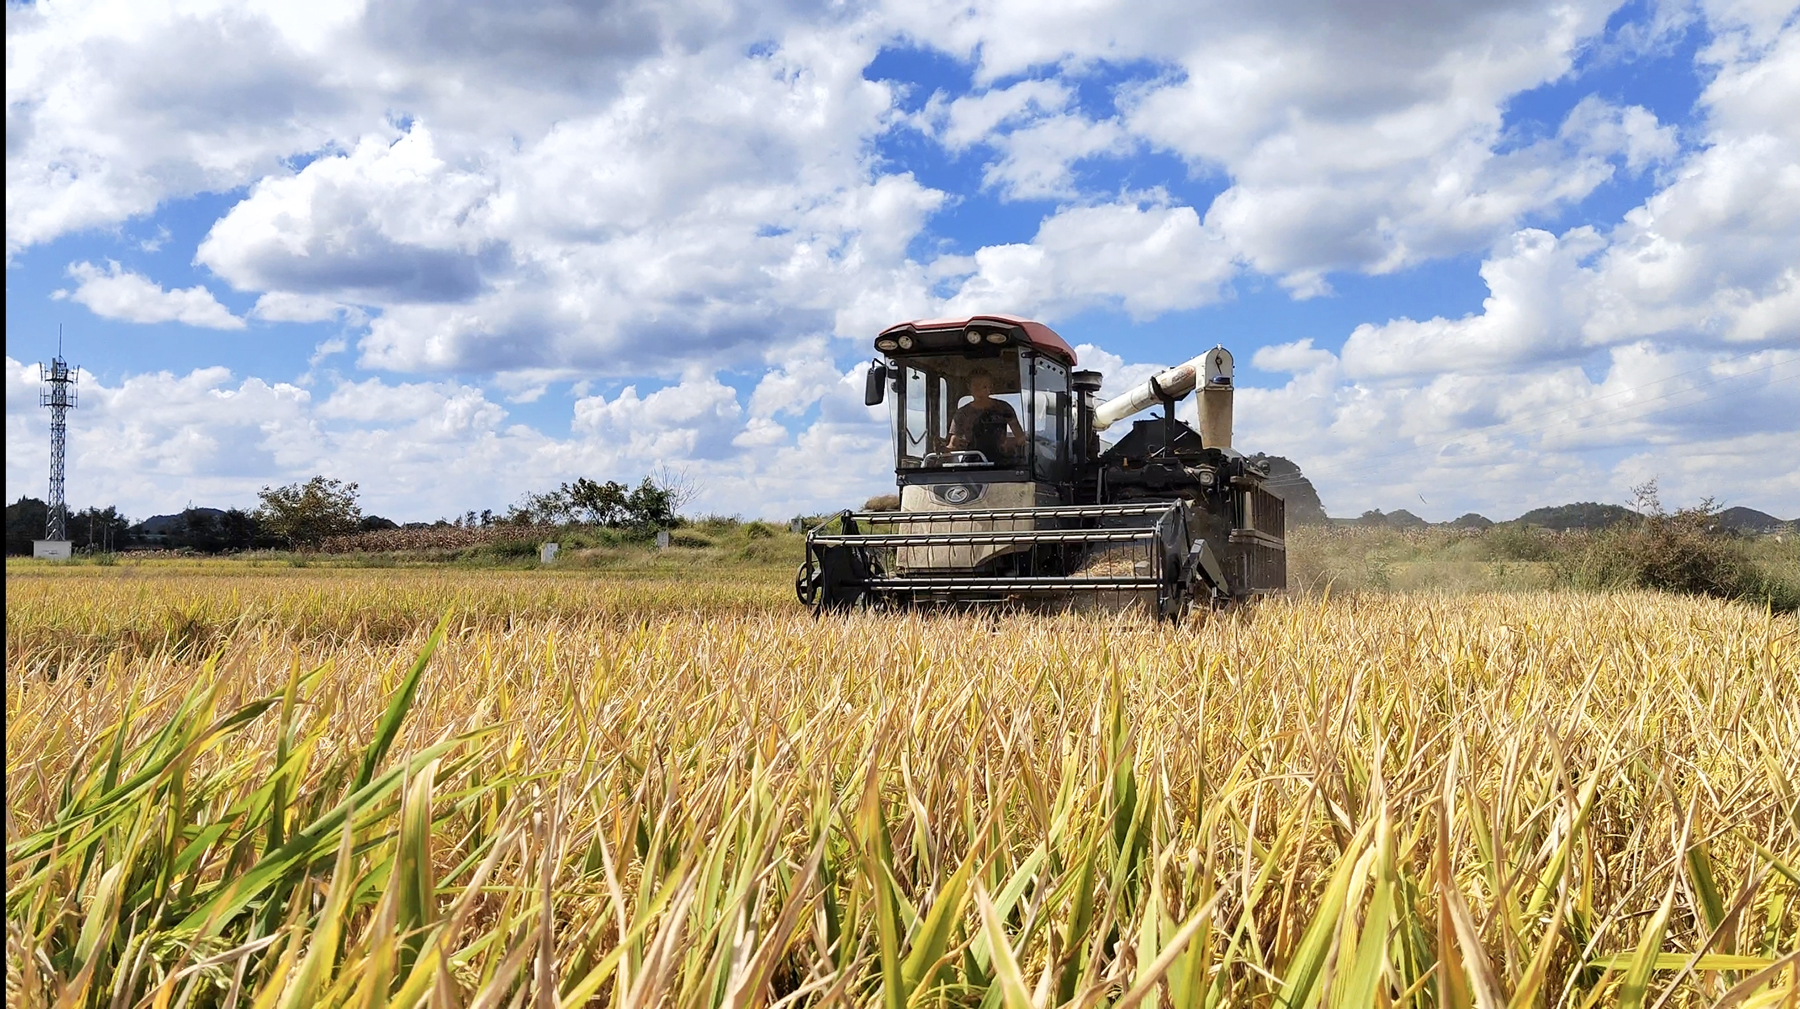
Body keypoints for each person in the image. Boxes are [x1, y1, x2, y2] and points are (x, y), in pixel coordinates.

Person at [947, 373, 1025, 462]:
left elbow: (1020, 438)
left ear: (990, 388)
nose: (979, 390)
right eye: (976, 386)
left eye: (983, 386)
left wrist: (1010, 445)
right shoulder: (962, 413)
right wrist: (943, 450)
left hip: (1002, 464)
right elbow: (953, 444)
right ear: (969, 387)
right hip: (971, 464)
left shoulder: (1004, 408)